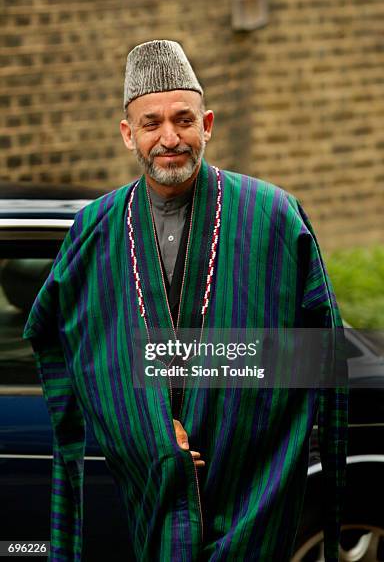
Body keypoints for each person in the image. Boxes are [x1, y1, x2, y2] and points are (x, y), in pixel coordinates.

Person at [24, 40, 348, 561]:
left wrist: (197, 380)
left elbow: (323, 353)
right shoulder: (93, 232)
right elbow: (66, 349)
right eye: (151, 123)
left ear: (208, 124)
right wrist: (149, 428)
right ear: (129, 133)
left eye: (184, 119)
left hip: (252, 491)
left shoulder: (274, 218)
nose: (170, 138)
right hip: (147, 492)